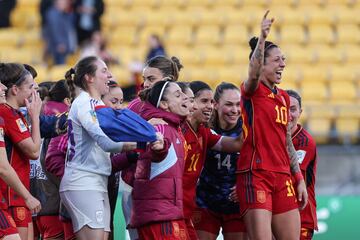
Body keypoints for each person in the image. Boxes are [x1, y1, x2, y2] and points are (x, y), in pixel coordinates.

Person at [236, 11, 308, 240]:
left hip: (283, 175)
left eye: (284, 59)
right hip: (255, 174)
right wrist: (263, 37)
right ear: (261, 65)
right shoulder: (252, 90)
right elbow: (253, 73)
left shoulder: (285, 98)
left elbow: (286, 139)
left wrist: (298, 178)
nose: (282, 64)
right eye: (277, 60)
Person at [59, 56, 135, 240]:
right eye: (104, 70)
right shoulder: (85, 103)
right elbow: (106, 142)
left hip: (97, 181)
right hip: (83, 180)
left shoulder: (97, 104)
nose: (109, 74)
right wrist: (142, 144)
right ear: (89, 78)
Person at [113, 80, 191, 239]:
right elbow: (159, 148)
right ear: (164, 104)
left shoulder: (173, 128)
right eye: (178, 95)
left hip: (165, 213)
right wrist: (159, 147)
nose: (185, 97)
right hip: (159, 217)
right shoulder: (159, 127)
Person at [182, 81, 243, 240]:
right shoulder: (202, 127)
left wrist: (246, 183)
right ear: (217, 105)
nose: (234, 110)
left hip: (236, 204)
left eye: (238, 104)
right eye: (229, 104)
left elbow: (257, 158)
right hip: (204, 202)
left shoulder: (245, 128)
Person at [0, 63, 43, 240]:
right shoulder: (6, 113)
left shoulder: (14, 114)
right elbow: (33, 151)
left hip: (18, 192)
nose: (34, 92)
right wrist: (35, 118)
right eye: (31, 87)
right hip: (11, 195)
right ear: (15, 89)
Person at [32, 80, 71, 240]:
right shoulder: (57, 124)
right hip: (52, 207)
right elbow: (50, 162)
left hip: (37, 205)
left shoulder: (36, 122)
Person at [287, 90, 318, 240]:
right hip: (279, 213)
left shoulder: (305, 142)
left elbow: (289, 173)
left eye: (292, 109)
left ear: (300, 112)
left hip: (302, 216)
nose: (288, 115)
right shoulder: (272, 137)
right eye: (284, 109)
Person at [45, 0, 77, 65]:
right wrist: (59, 43)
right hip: (59, 46)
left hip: (63, 46)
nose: (65, 4)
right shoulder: (53, 14)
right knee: (60, 67)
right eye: (63, 2)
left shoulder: (63, 14)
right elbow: (54, 30)